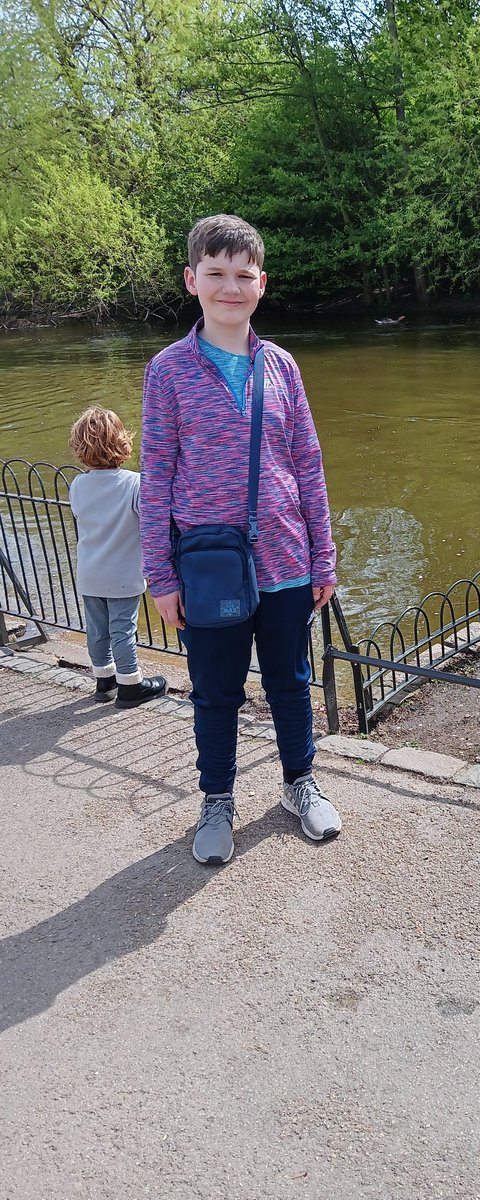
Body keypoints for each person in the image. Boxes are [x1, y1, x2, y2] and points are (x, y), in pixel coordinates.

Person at [139, 213, 341, 866]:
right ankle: (217, 798)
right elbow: (158, 477)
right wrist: (161, 578)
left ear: (261, 285)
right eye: (216, 273)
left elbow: (306, 462)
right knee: (216, 691)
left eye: (243, 275)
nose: (231, 286)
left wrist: (324, 556)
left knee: (289, 680)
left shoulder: (281, 366)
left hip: (285, 558)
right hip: (209, 567)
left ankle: (299, 783)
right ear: (192, 279)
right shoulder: (168, 371)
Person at [68, 407, 168, 709]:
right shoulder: (134, 484)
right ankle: (130, 685)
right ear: (123, 444)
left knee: (97, 631)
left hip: (89, 572)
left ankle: (104, 681)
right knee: (123, 631)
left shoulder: (78, 485)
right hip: (122, 574)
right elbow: (149, 524)